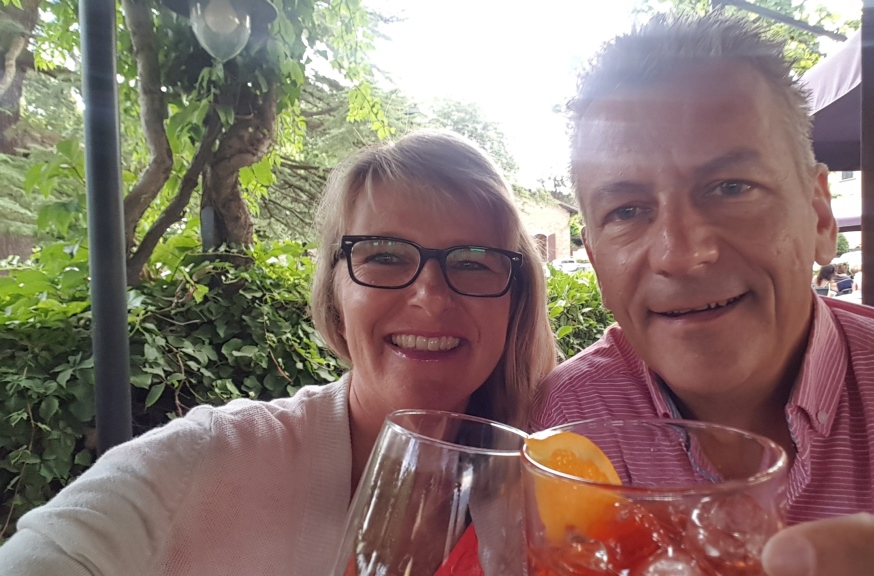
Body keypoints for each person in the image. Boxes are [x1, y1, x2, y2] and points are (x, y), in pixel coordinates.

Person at [531, 13, 874, 576]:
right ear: (596, 261)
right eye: (626, 211)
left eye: (731, 188)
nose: (681, 254)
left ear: (820, 216)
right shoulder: (565, 421)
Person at [0, 130, 558, 574]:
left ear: (517, 300)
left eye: (472, 262)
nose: (430, 298)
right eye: (385, 256)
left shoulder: (547, 496)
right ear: (335, 292)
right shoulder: (210, 457)